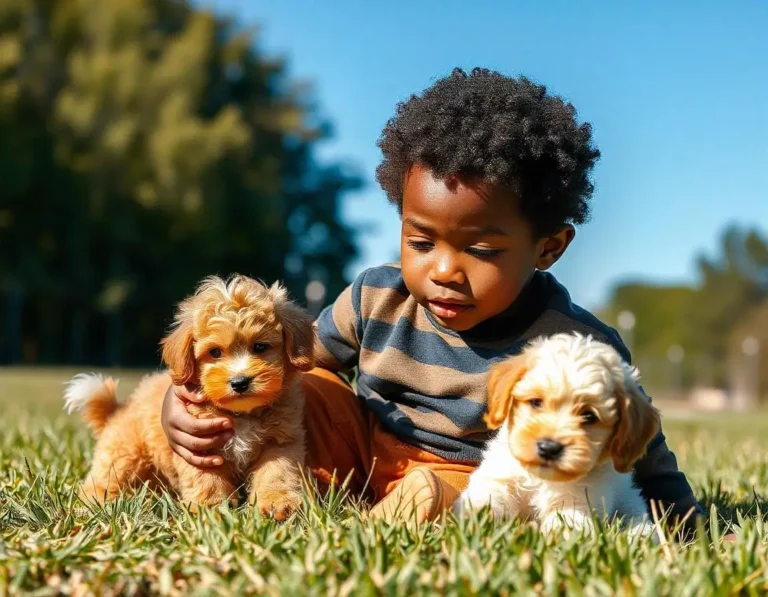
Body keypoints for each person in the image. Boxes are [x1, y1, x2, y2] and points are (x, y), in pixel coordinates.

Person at [160, 67, 702, 527]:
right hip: (361, 454)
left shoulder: (569, 345)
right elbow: (295, 366)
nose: (444, 270)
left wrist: (689, 522)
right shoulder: (376, 294)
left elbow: (644, 459)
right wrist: (184, 404)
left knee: (436, 490)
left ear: (549, 248)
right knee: (307, 382)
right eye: (421, 242)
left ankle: (376, 519)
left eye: (483, 250)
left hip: (462, 479)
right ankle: (263, 489)